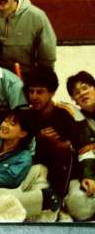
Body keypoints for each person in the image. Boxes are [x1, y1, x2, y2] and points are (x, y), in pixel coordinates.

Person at [24, 66, 78, 198]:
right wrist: (39, 139)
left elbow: (73, 151)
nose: (34, 97)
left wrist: (55, 144)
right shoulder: (26, 117)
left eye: (40, 92)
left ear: (52, 92)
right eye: (31, 92)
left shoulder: (65, 115)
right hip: (34, 174)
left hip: (65, 177)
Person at [64, 71, 95, 220]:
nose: (82, 93)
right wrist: (89, 177)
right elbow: (85, 152)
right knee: (79, 205)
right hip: (89, 172)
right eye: (77, 93)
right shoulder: (78, 121)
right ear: (74, 100)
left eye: (85, 88)